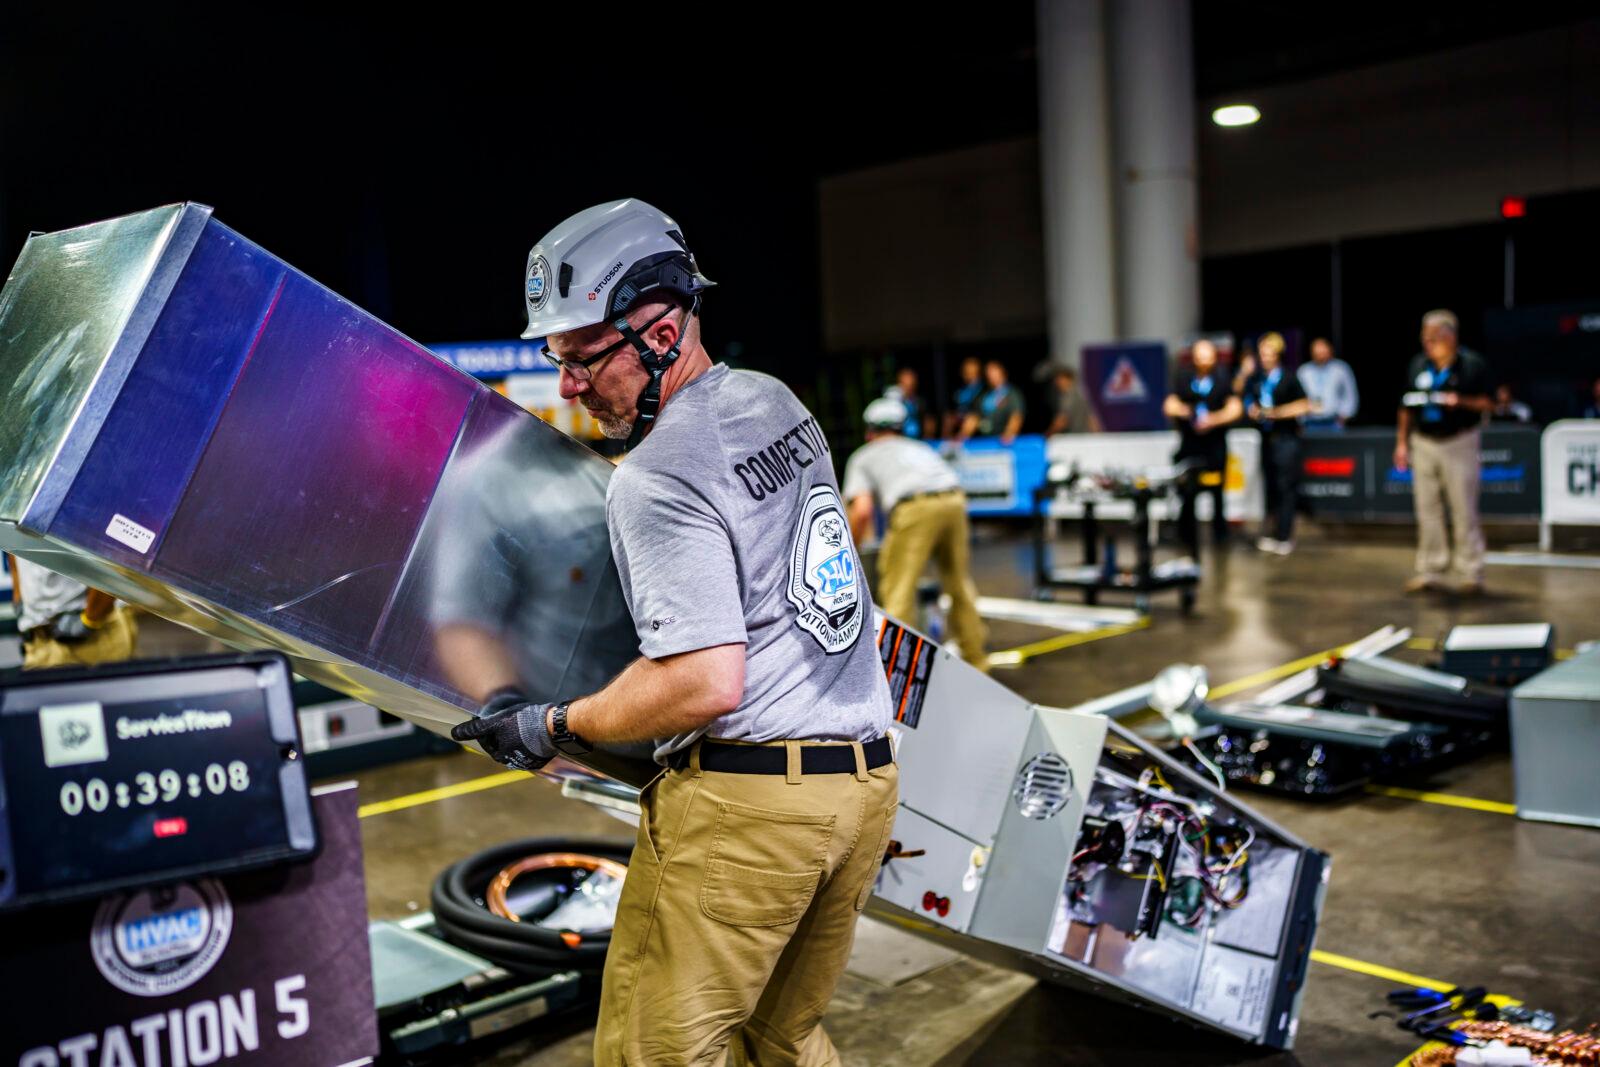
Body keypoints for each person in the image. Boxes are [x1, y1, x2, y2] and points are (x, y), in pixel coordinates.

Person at [451, 199, 897, 1067]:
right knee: (782, 1037)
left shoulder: (656, 475)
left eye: (583, 358)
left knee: (650, 1055)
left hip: (751, 813)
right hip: (862, 787)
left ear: (660, 333)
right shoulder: (772, 400)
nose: (568, 387)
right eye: (557, 359)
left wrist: (554, 724)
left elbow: (703, 681)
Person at [844, 397, 987, 670]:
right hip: (954, 500)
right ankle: (976, 658)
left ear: (869, 431)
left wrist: (850, 552)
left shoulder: (863, 456)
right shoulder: (920, 448)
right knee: (958, 583)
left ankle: (897, 672)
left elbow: (861, 512)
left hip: (914, 507)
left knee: (898, 589)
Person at [1394, 309, 1492, 595]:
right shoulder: (1418, 365)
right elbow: (1405, 407)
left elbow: (1489, 403)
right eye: (1424, 337)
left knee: (1463, 509)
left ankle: (1471, 573)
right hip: (1424, 441)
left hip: (1458, 442)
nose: (1427, 343)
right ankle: (1430, 571)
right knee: (1427, 509)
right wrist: (1402, 443)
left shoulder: (1472, 365)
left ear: (1450, 336)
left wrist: (1459, 401)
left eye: (1433, 337)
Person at [1164, 339, 1243, 557]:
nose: (1203, 361)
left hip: (1214, 446)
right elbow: (1169, 405)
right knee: (1187, 492)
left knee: (1217, 492)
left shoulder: (1223, 378)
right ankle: (1185, 534)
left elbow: (1235, 408)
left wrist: (1212, 420)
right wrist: (1187, 413)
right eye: (1199, 356)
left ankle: (1220, 535)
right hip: (1190, 446)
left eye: (1208, 356)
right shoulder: (1184, 377)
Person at [1241, 333, 1313, 555]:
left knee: (1285, 487)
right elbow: (1245, 398)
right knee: (1270, 487)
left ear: (1278, 355)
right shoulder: (1256, 378)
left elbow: (1305, 404)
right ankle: (1272, 532)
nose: (1265, 358)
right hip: (1266, 439)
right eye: (1262, 354)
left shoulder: (1289, 377)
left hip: (1286, 439)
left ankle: (1285, 535)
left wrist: (1276, 413)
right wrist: (1252, 410)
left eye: (1269, 354)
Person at [9, 556, 137, 669]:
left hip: (92, 636)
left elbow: (113, 556)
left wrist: (90, 620)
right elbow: (12, 544)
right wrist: (19, 597)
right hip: (39, 642)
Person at [1297, 337, 1360, 431]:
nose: (1320, 356)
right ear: (1312, 353)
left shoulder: (1341, 369)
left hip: (1334, 422)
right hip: (1310, 422)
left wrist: (1344, 416)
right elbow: (1297, 397)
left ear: (1330, 351)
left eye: (1323, 352)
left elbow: (1350, 394)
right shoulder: (1304, 371)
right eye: (1317, 353)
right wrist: (1300, 419)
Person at [963, 359, 1025, 442]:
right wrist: (962, 437)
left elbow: (1016, 417)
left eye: (994, 372)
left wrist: (1008, 435)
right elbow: (974, 417)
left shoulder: (1012, 394)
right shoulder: (982, 394)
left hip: (1002, 441)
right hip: (984, 441)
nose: (991, 375)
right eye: (988, 372)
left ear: (1002, 372)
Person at [1047, 366, 1100, 434]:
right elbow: (1092, 418)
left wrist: (1047, 435)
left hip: (1075, 436)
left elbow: (1062, 421)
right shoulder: (1081, 393)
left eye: (1059, 379)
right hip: (1085, 436)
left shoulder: (1069, 396)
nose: (1056, 382)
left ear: (1068, 379)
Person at [886, 366, 932, 438]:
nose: (909, 388)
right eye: (906, 385)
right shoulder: (894, 403)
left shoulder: (920, 402)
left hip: (918, 439)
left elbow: (928, 423)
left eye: (911, 385)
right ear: (899, 384)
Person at [945, 356, 983, 437]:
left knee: (972, 420)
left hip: (976, 422)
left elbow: (979, 412)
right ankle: (945, 441)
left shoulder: (983, 389)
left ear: (978, 373)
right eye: (966, 372)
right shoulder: (960, 390)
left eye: (972, 373)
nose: (969, 376)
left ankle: (959, 441)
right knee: (948, 418)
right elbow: (954, 410)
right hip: (959, 420)